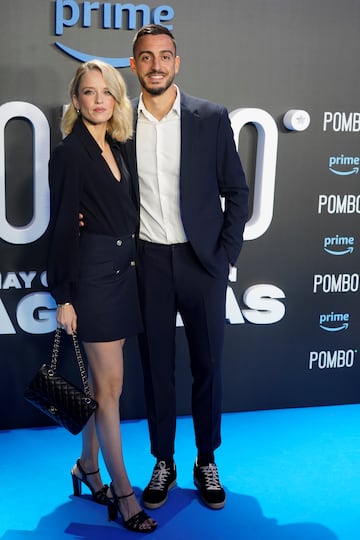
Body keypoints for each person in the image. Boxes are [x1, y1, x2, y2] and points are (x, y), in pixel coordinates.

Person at [123, 24, 249, 511]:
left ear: (178, 63)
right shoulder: (119, 121)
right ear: (133, 65)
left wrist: (225, 257)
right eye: (147, 57)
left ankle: (206, 459)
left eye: (165, 56)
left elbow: (236, 191)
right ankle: (163, 462)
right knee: (157, 370)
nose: (156, 65)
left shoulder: (209, 117)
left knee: (208, 366)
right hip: (146, 262)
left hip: (202, 263)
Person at [47, 59, 157, 533]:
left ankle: (86, 468)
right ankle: (125, 495)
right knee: (110, 390)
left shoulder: (119, 144)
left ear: (116, 100)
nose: (98, 100)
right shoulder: (70, 153)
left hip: (123, 274)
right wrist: (64, 295)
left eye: (106, 92)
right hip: (91, 280)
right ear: (76, 100)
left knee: (100, 387)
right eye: (89, 92)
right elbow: (61, 229)